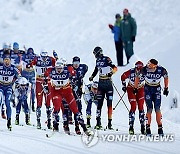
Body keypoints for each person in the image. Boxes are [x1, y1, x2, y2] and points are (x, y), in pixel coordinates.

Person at [44, 59, 90, 136]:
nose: (58, 70)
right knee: (57, 107)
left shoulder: (68, 69)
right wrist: (46, 85)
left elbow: (76, 75)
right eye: (57, 68)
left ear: (63, 67)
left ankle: (84, 128)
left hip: (67, 91)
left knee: (75, 110)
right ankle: (55, 126)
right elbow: (45, 77)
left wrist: (73, 82)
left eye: (60, 68)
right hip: (56, 91)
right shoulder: (50, 70)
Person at [134, 59, 169, 136]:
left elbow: (166, 77)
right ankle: (148, 127)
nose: (148, 65)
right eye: (148, 63)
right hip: (148, 89)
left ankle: (160, 128)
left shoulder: (161, 69)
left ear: (154, 65)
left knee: (157, 108)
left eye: (150, 64)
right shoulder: (144, 69)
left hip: (157, 89)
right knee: (149, 108)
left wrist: (166, 88)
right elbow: (137, 77)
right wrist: (135, 88)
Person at [89, 46, 117, 130]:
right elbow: (96, 70)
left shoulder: (106, 59)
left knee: (109, 104)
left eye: (95, 53)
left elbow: (115, 68)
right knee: (99, 103)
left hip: (108, 83)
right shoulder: (97, 60)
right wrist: (92, 76)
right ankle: (98, 122)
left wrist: (110, 74)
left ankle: (109, 123)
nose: (95, 55)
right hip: (101, 83)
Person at [28, 50, 56, 129]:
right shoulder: (37, 59)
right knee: (39, 101)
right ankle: (38, 121)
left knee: (48, 102)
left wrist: (56, 57)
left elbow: (57, 65)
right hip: (39, 81)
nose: (44, 59)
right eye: (43, 57)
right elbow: (30, 64)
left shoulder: (51, 59)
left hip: (48, 81)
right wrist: (30, 64)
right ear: (40, 56)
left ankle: (49, 121)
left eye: (45, 57)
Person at [121, 61, 145, 134]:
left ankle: (142, 127)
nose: (139, 70)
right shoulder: (131, 71)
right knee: (133, 106)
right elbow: (122, 77)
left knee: (141, 106)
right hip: (131, 88)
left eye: (140, 69)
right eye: (138, 69)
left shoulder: (145, 72)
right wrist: (124, 86)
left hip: (140, 88)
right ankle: (131, 127)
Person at [0, 52, 21, 130]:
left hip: (8, 87)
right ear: (3, 60)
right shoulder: (0, 67)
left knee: (8, 103)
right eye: (5, 60)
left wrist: (18, 83)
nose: (6, 62)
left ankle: (9, 121)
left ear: (10, 60)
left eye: (8, 60)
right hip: (1, 86)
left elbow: (19, 77)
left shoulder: (13, 68)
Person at [22, 47, 36, 112]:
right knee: (24, 89)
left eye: (31, 53)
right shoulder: (24, 56)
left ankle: (33, 103)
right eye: (29, 53)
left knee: (33, 89)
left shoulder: (35, 56)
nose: (30, 55)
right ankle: (24, 102)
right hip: (25, 74)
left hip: (32, 74)